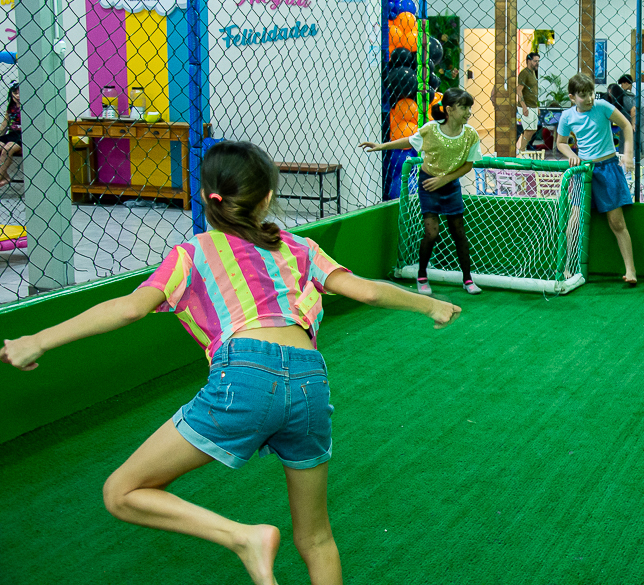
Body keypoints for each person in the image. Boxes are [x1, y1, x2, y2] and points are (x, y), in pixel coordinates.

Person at [0, 140, 461, 585]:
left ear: (206, 197)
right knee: (317, 537)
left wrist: (38, 340)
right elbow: (368, 291)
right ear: (268, 198)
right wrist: (431, 305)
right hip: (310, 381)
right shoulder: (299, 247)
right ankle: (251, 541)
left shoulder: (192, 253)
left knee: (122, 492)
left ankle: (243, 538)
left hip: (245, 374)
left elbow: (129, 309)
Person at [361, 89, 484, 295]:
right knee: (431, 232)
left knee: (459, 233)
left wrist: (444, 179)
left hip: (450, 184)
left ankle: (467, 279)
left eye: (469, 107)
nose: (468, 112)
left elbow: (468, 165)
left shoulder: (470, 135)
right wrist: (381, 146)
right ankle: (422, 276)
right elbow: (410, 141)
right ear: (449, 110)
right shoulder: (431, 130)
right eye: (463, 107)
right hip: (428, 184)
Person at [556, 73, 638, 285]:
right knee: (574, 220)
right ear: (572, 97)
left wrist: (628, 154)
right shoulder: (567, 116)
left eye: (591, 93)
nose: (590, 98)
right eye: (583, 95)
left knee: (617, 222)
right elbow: (561, 142)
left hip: (608, 168)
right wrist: (572, 155)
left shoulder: (601, 107)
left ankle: (631, 269)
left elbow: (626, 126)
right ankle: (567, 265)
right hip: (585, 171)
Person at [517, 52, 540, 152]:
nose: (537, 63)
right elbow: (519, 90)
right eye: (535, 61)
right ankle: (522, 150)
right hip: (526, 105)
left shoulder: (533, 73)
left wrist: (537, 106)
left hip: (533, 105)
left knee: (533, 129)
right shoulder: (524, 73)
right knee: (528, 130)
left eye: (538, 61)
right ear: (528, 61)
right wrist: (524, 106)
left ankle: (523, 148)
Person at [0, 82, 21, 187]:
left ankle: (0, 176)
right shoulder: (11, 107)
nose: (17, 96)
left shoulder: (29, 107)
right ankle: (5, 175)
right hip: (12, 134)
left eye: (19, 93)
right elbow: (5, 124)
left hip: (22, 136)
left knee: (7, 148)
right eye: (15, 93)